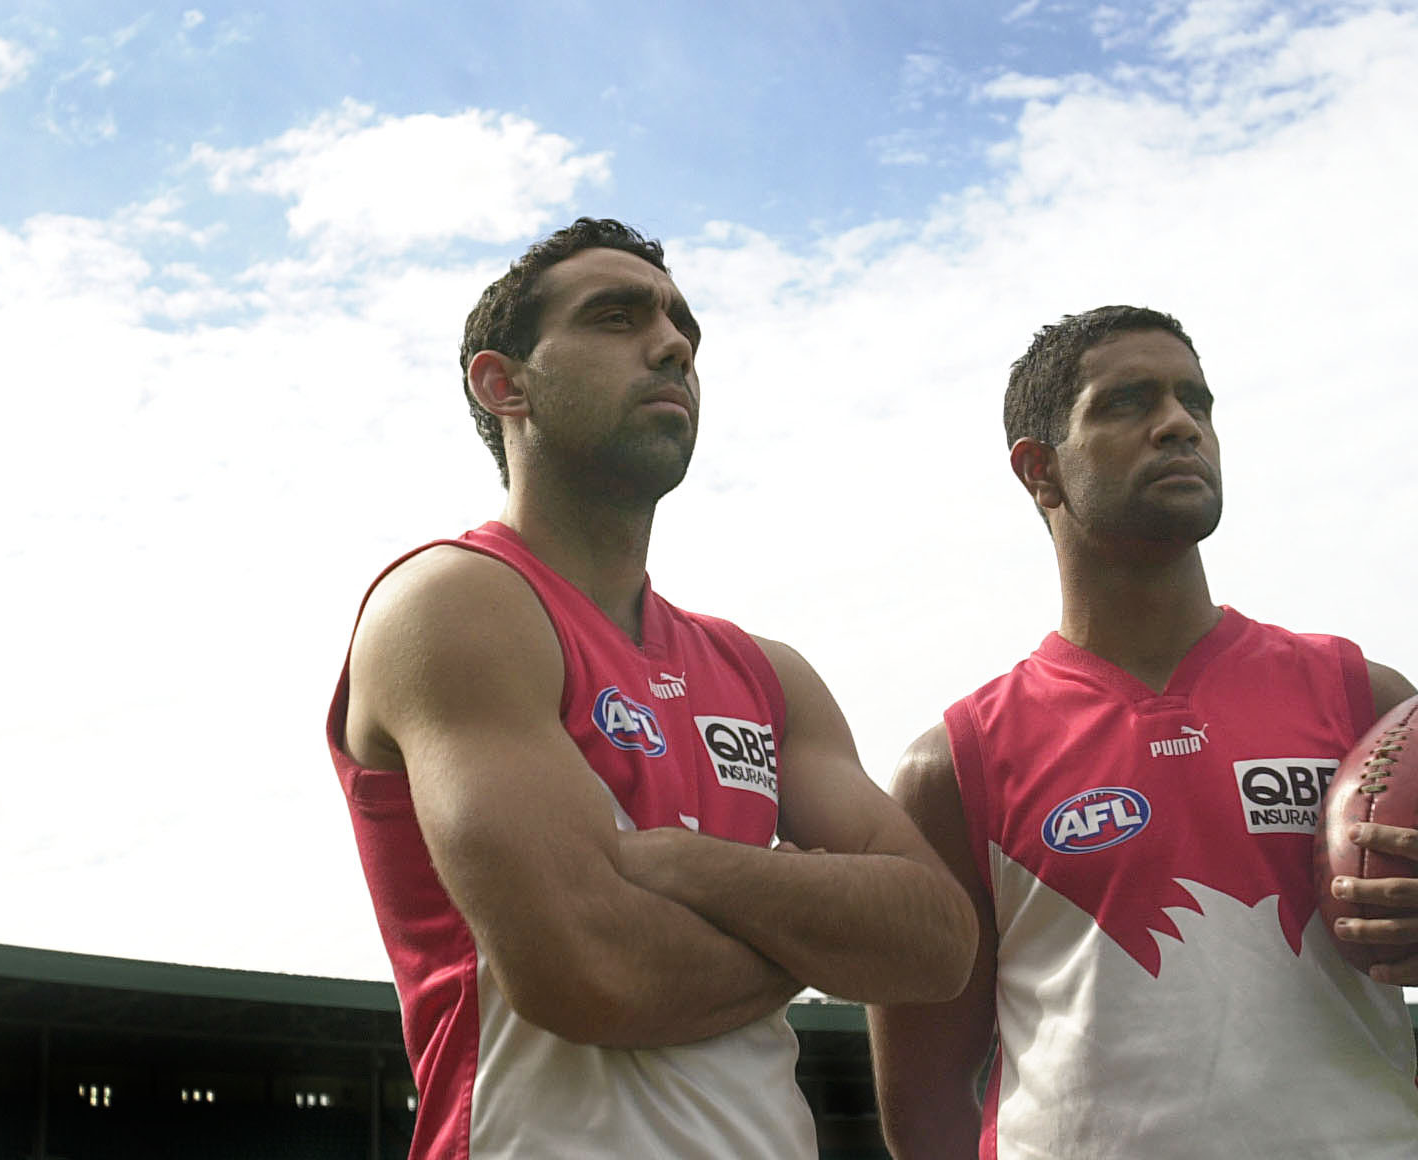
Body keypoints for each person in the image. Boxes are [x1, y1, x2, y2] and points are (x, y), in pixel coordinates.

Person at [866, 306, 1418, 1159]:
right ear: (1040, 472)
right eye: (1127, 402)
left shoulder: (1361, 702)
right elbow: (922, 1104)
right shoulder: (953, 764)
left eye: (1196, 403)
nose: (1179, 424)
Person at [325, 217, 976, 1159]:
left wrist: (690, 867)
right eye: (615, 317)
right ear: (503, 384)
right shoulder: (455, 604)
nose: (671, 344)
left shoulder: (767, 674)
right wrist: (823, 926)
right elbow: (592, 972)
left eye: (682, 328)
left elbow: (938, 943)